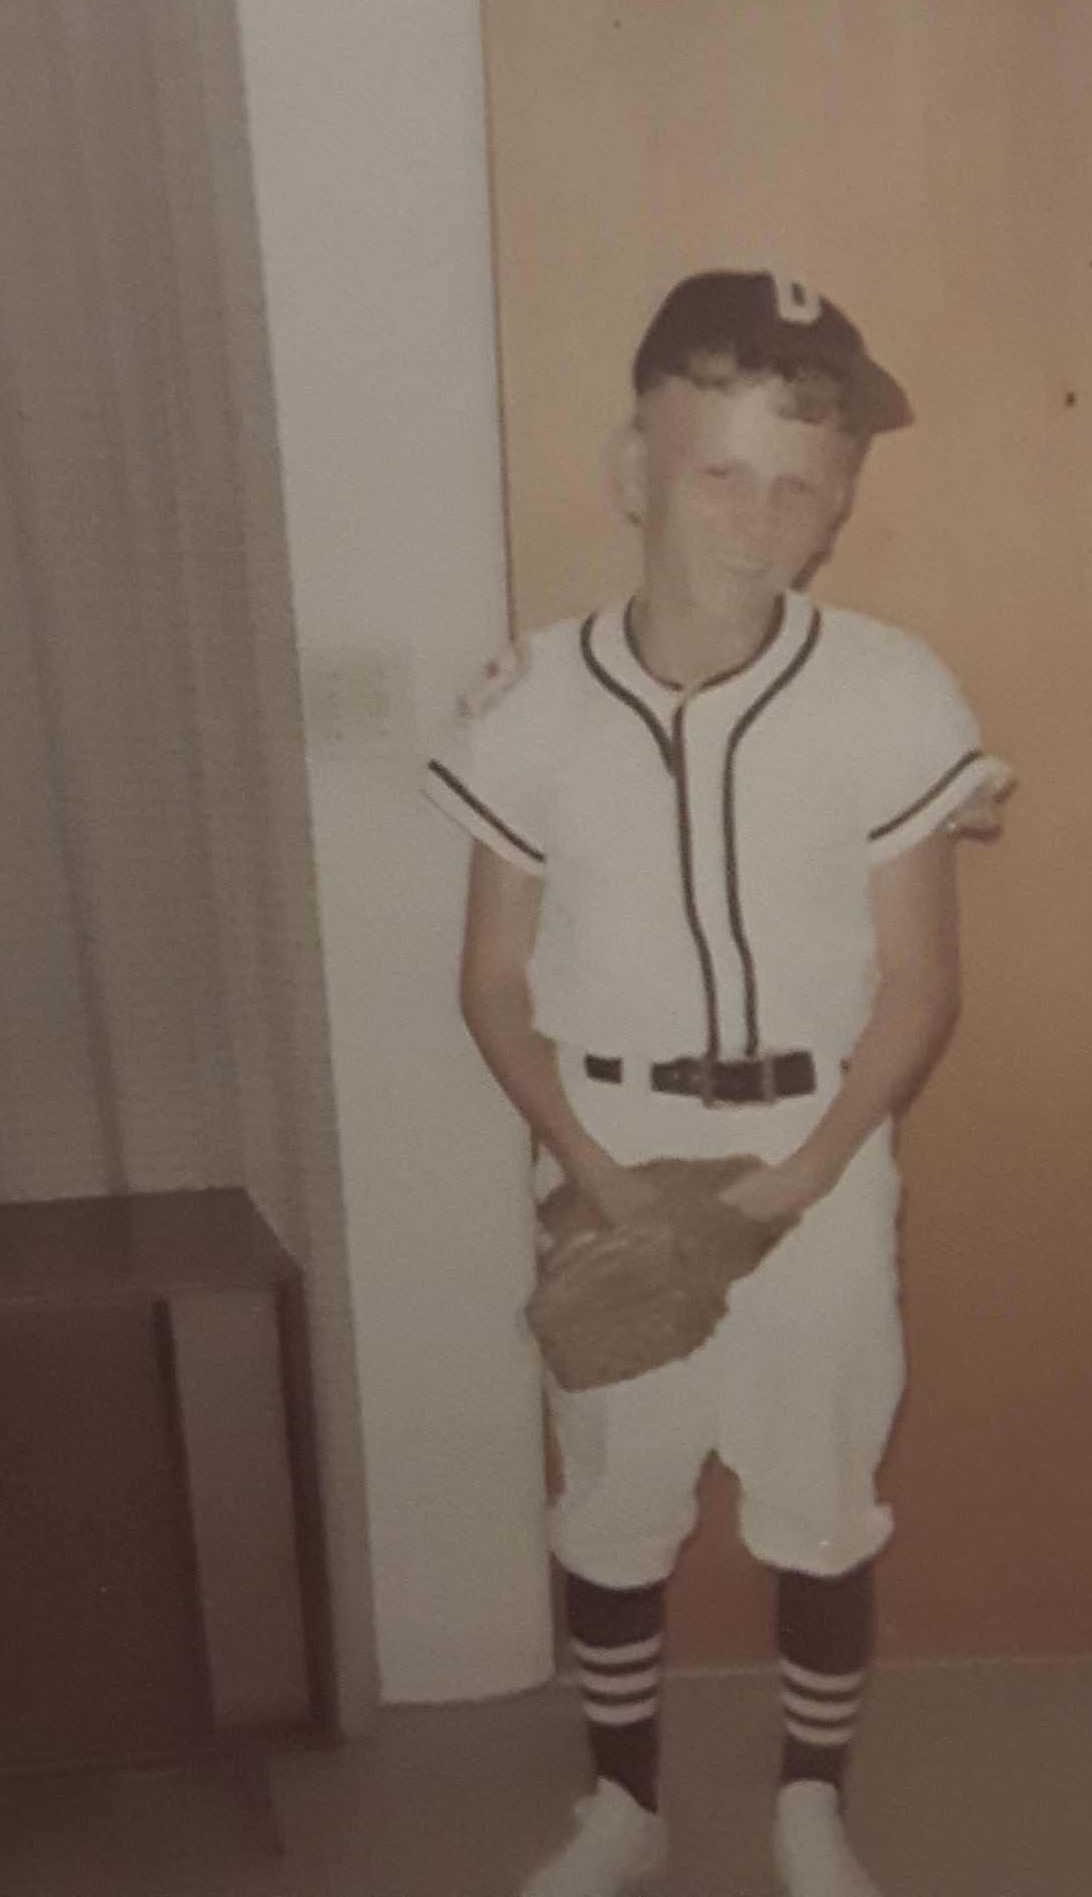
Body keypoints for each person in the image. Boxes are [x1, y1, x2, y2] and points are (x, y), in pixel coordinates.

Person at [424, 270, 1012, 1896]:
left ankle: (806, 1801)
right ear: (632, 469)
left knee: (819, 1493)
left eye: (805, 483)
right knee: (613, 1490)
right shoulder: (533, 698)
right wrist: (594, 1174)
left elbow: (921, 979)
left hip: (812, 1152)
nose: (764, 517)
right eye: (721, 469)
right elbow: (488, 981)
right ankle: (623, 1804)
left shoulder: (891, 688)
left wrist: (808, 1172)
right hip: (608, 1144)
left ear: (840, 508)